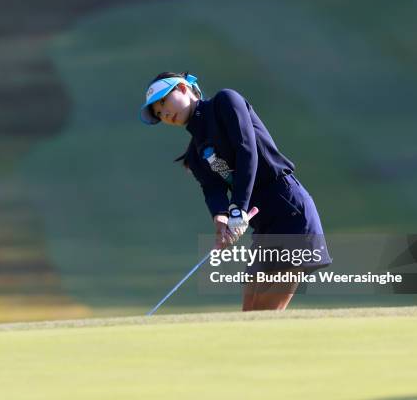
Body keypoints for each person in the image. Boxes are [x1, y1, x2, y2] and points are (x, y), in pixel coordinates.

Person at [139, 71, 332, 311]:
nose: (164, 114)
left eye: (163, 102)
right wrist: (220, 219)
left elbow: (246, 151)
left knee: (265, 313)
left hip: (289, 211)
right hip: (263, 226)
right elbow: (213, 190)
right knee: (249, 313)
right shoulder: (195, 153)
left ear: (181, 88)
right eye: (158, 113)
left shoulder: (225, 102)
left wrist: (238, 208)